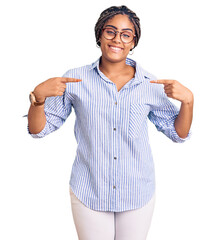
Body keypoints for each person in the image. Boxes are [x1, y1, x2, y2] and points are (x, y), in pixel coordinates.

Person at [27, 5, 193, 240]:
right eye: (110, 31)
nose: (118, 39)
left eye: (126, 34)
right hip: (89, 189)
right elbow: (39, 130)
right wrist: (38, 98)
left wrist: (188, 101)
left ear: (133, 42)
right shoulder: (75, 79)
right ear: (99, 34)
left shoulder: (149, 83)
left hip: (137, 191)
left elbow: (178, 134)